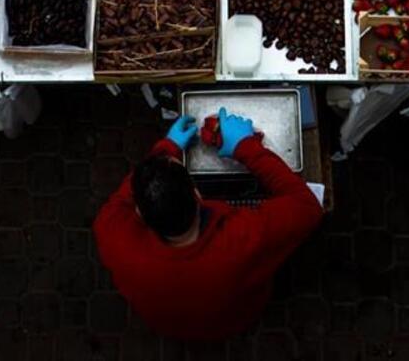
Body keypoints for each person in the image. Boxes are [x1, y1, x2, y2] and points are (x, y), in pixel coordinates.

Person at [94, 107, 323, 342]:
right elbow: (307, 206)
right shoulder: (243, 240)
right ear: (197, 195)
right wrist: (246, 146)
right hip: (236, 318)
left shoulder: (113, 233)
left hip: (169, 325)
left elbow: (124, 197)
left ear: (140, 213)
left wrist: (167, 148)